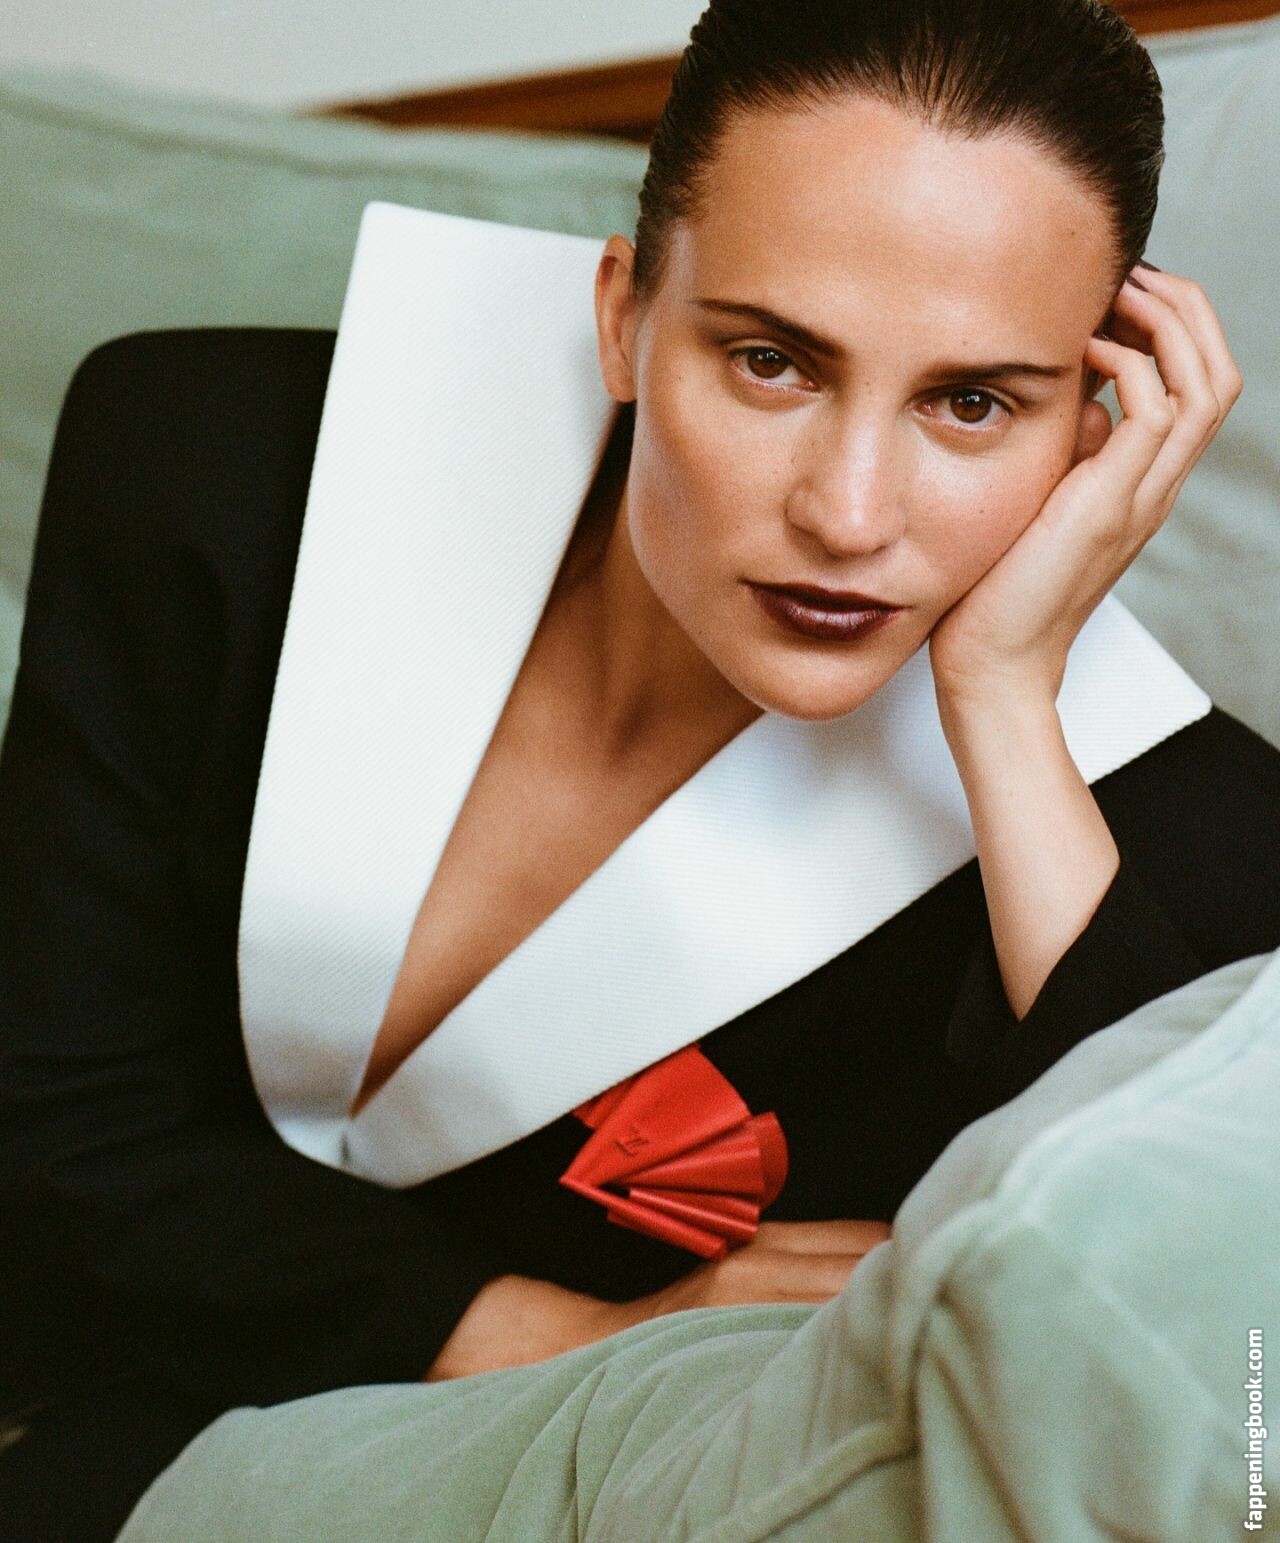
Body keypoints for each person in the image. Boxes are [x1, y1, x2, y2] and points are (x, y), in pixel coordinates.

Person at [1, 0, 1278, 1536]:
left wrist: (1004, 695)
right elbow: (56, 1130)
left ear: (1100, 424)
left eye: (972, 402)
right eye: (771, 362)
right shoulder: (204, 461)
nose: (850, 513)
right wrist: (582, 1333)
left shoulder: (1161, 837)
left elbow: (1193, 1385)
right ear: (621, 315)